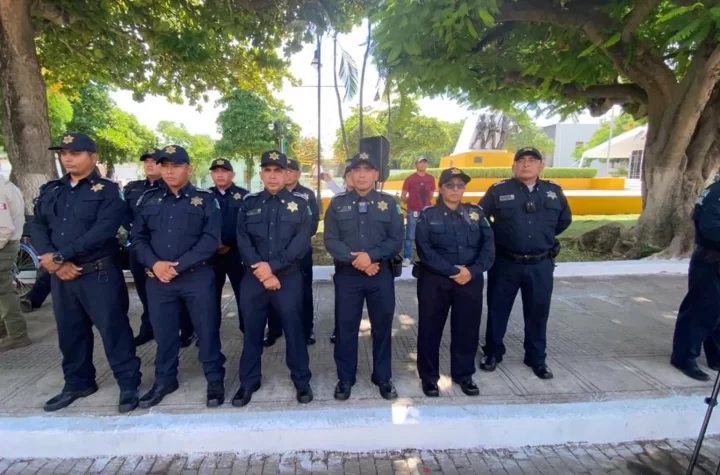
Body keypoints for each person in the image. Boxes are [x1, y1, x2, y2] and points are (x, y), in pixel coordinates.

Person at [32, 133, 141, 413]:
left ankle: (128, 384)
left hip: (98, 274)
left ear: (93, 157)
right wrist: (53, 261)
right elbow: (38, 227)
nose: (67, 158)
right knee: (70, 333)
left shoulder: (106, 191)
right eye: (64, 153)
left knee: (114, 330)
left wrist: (60, 256)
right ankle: (78, 382)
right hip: (62, 277)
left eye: (75, 153)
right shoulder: (51, 190)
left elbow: (103, 231)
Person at [132, 145, 226, 408]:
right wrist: (154, 263)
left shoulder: (206, 200)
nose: (169, 171)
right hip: (159, 280)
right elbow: (137, 238)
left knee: (206, 330)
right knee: (164, 333)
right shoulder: (148, 200)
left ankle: (215, 378)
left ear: (189, 168)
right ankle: (164, 379)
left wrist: (177, 266)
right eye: (165, 166)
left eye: (175, 166)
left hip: (196, 277)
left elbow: (210, 241)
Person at [478, 147, 571, 380]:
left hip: (540, 264)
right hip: (505, 262)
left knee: (538, 312)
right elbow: (480, 219)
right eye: (521, 161)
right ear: (513, 166)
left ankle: (536, 357)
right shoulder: (499, 190)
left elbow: (564, 220)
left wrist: (543, 238)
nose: (526, 164)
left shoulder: (554, 191)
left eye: (532, 160)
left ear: (541, 166)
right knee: (498, 310)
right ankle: (493, 353)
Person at [234, 150, 313, 407]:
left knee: (294, 330)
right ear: (261, 174)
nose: (272, 175)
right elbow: (242, 240)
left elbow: (300, 243)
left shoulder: (300, 203)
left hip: (288, 278)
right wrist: (262, 270)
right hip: (254, 278)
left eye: (277, 170)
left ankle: (301, 380)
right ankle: (248, 381)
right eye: (267, 170)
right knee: (252, 331)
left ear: (286, 173)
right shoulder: (249, 203)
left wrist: (273, 268)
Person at [324, 152, 404, 401]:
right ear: (349, 175)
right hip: (348, 275)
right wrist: (358, 260)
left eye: (367, 170)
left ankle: (383, 376)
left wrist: (371, 257)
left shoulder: (389, 204)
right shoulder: (337, 204)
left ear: (376, 175)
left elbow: (396, 239)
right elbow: (330, 240)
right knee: (346, 327)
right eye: (356, 170)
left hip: (380, 273)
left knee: (382, 327)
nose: (361, 174)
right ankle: (345, 378)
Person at [414, 168, 494, 397]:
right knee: (430, 330)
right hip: (435, 281)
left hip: (470, 280)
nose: (456, 189)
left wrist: (472, 271)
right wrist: (452, 271)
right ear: (441, 188)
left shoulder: (476, 213)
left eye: (460, 185)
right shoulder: (428, 215)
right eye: (451, 185)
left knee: (467, 330)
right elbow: (425, 250)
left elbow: (488, 247)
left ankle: (464, 375)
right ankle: (429, 378)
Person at [124, 149, 194, 348]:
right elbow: (126, 215)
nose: (149, 164)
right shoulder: (135, 190)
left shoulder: (184, 193)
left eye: (154, 161)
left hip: (174, 257)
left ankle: (185, 329)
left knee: (180, 296)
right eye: (146, 161)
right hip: (144, 251)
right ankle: (149, 328)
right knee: (147, 295)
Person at [265, 158, 319, 347]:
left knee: (303, 291)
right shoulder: (270, 195)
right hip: (272, 255)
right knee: (271, 291)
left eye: (290, 170)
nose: (286, 173)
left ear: (297, 174)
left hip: (299, 254)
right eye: (283, 170)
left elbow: (311, 226)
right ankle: (274, 329)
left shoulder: (306, 195)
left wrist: (292, 246)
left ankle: (306, 328)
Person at [671, 181, 720, 381]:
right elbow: (710, 227)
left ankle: (715, 356)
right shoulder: (717, 193)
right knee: (700, 310)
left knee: (716, 312)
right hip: (711, 259)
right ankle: (684, 357)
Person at [208, 158, 248, 332]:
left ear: (232, 174)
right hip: (211, 254)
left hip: (236, 253)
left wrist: (228, 242)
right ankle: (210, 332)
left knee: (244, 294)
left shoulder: (244, 196)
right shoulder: (204, 197)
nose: (220, 175)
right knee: (210, 295)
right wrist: (215, 243)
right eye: (216, 172)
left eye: (224, 171)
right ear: (211, 175)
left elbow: (246, 226)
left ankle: (248, 330)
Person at [0, 174, 30, 352]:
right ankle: (7, 331)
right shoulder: (8, 186)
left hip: (4, 246)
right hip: (8, 243)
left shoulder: (2, 189)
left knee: (4, 291)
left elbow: (4, 229)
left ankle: (17, 335)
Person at [329, 163, 354, 345]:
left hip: (372, 264)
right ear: (345, 178)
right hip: (344, 261)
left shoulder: (377, 201)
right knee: (343, 301)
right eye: (350, 174)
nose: (355, 177)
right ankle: (339, 329)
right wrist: (351, 256)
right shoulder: (338, 200)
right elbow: (331, 236)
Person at [401, 156, 436, 267]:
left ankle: (426, 258)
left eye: (424, 162)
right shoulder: (410, 179)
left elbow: (431, 194)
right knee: (410, 236)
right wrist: (412, 202)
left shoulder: (431, 178)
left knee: (427, 235)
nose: (422, 164)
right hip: (413, 211)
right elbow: (403, 196)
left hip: (426, 211)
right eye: (420, 162)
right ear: (416, 165)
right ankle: (407, 257)